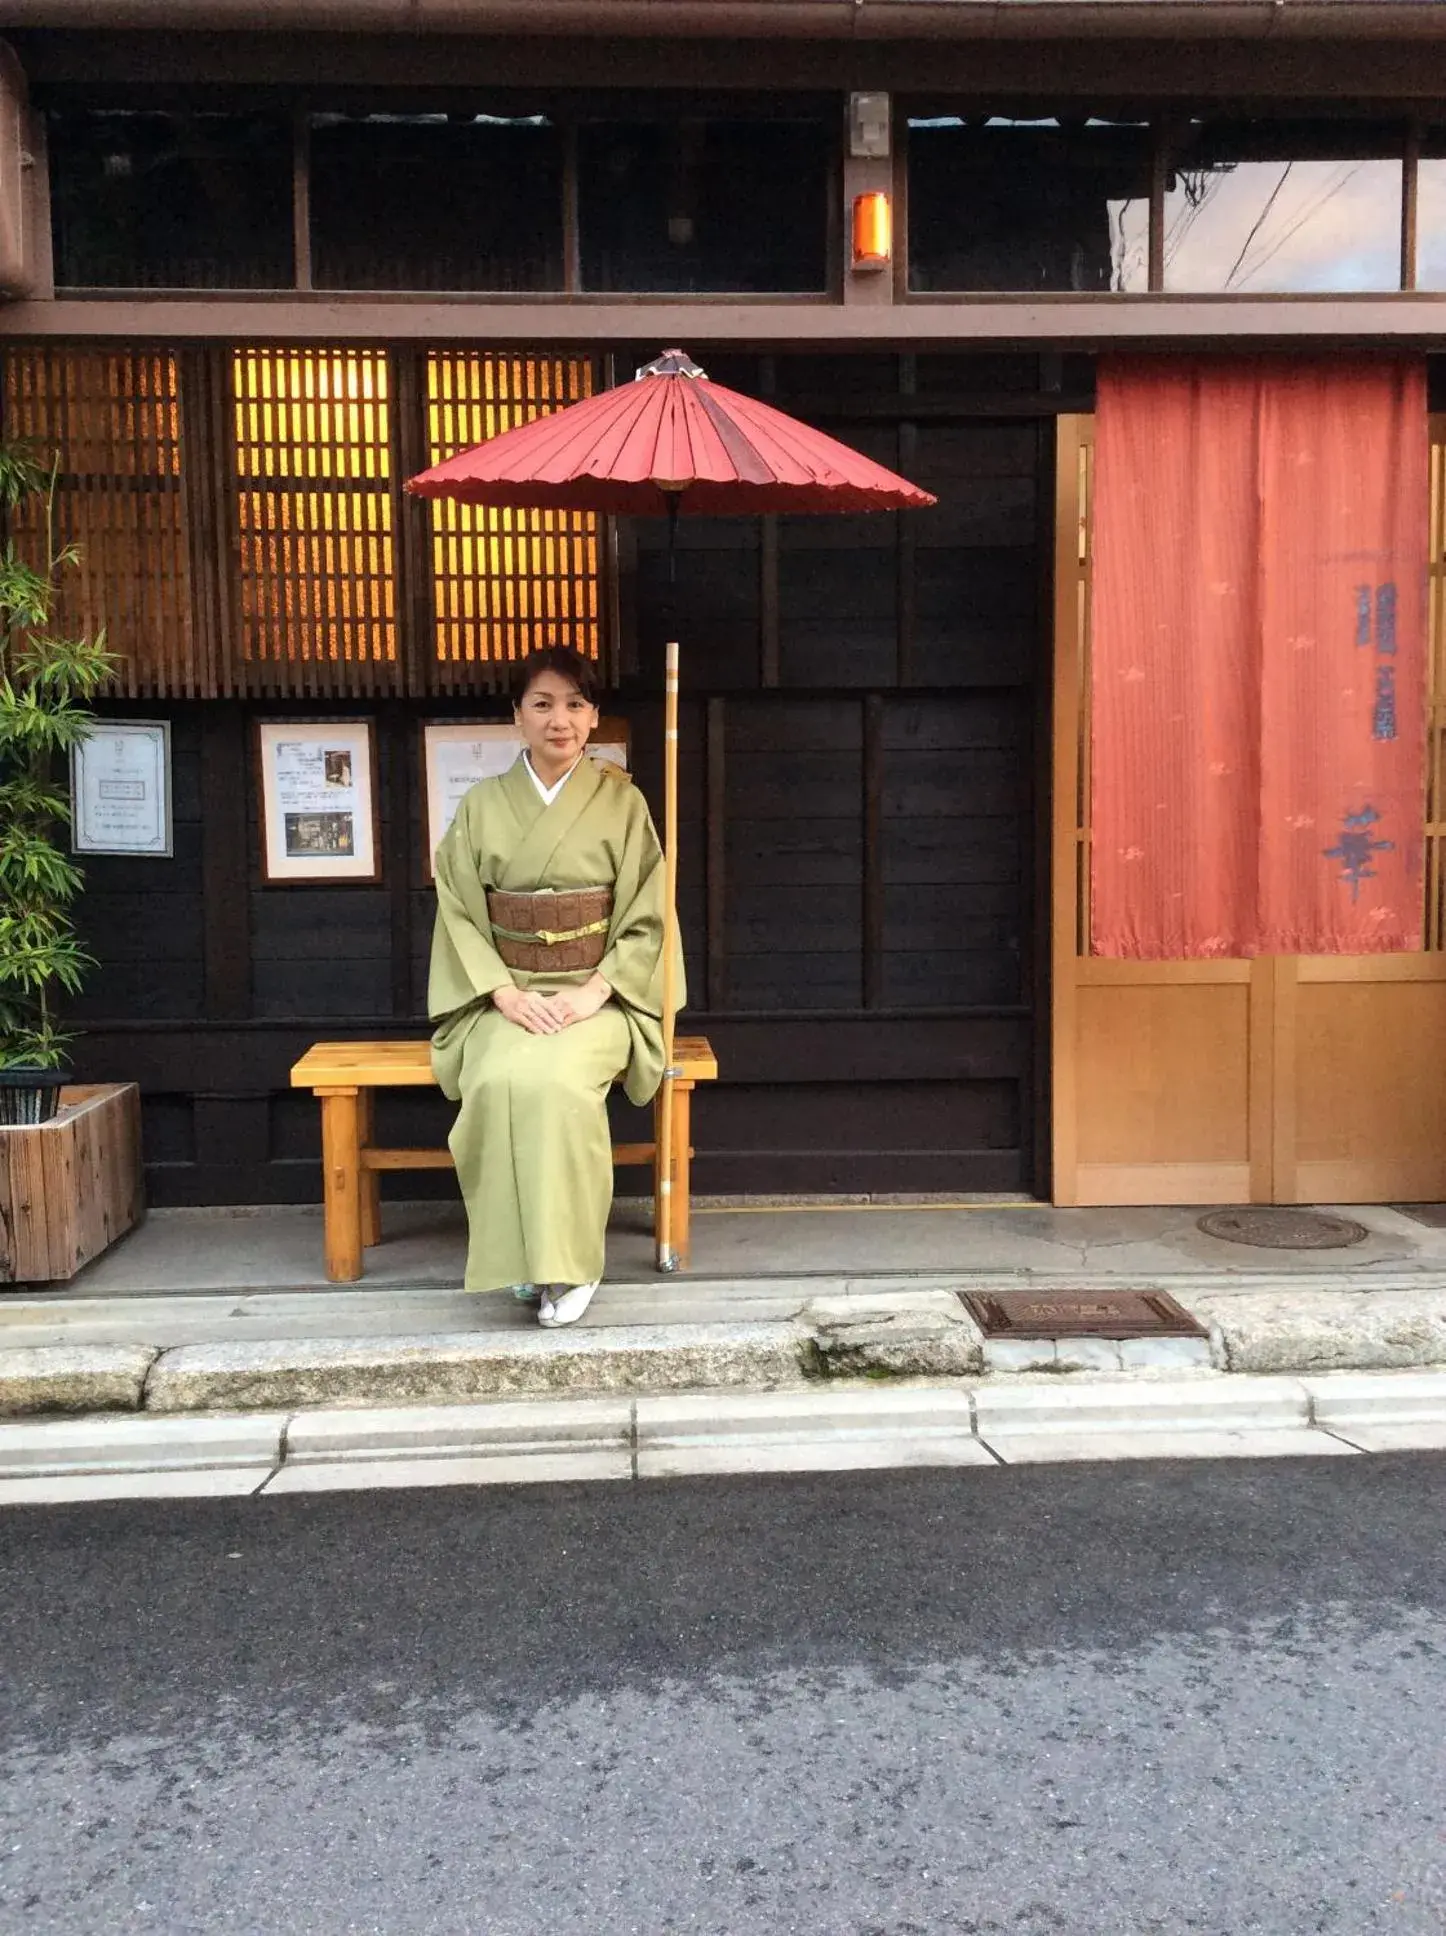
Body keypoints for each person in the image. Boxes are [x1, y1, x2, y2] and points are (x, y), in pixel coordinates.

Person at [427, 645, 680, 1326]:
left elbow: (648, 912)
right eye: (541, 703)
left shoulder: (624, 805)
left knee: (559, 1084)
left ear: (594, 717)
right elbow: (458, 910)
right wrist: (504, 995)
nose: (558, 719)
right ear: (517, 716)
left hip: (595, 996)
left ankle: (569, 1265)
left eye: (573, 703)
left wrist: (592, 993)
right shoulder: (481, 806)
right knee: (498, 1081)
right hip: (504, 995)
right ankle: (521, 1260)